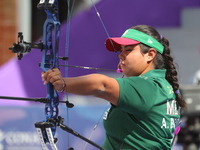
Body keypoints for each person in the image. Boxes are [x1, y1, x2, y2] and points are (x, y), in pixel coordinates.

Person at [41, 25, 187, 150]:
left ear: (150, 55)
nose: (120, 55)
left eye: (128, 50)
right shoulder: (162, 86)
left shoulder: (147, 87)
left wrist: (62, 84)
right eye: (121, 50)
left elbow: (102, 85)